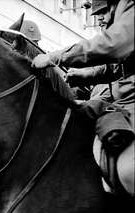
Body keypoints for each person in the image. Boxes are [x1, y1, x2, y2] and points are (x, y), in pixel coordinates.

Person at [32, 0, 134, 195]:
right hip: (125, 101)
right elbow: (119, 66)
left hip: (131, 102)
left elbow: (115, 45)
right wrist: (82, 76)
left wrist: (55, 56)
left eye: (103, 12)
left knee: (129, 170)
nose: (100, 19)